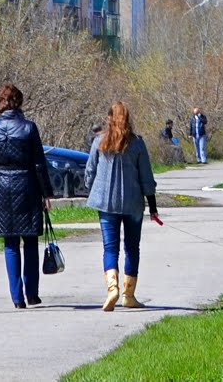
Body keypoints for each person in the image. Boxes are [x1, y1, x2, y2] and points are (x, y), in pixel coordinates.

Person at [85, 101, 160, 312]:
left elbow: (90, 171)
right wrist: (152, 206)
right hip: (133, 203)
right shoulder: (137, 144)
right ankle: (128, 295)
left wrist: (93, 190)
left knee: (110, 248)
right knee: (131, 248)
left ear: (109, 118)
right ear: (128, 119)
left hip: (106, 204)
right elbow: (147, 177)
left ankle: (112, 289)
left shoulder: (100, 141)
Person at [0, 83, 53, 309]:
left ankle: (17, 297)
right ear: (19, 102)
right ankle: (32, 293)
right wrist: (46, 193)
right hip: (27, 185)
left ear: (0, 103)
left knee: (10, 242)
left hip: (3, 186)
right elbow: (39, 163)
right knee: (30, 239)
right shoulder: (28, 128)